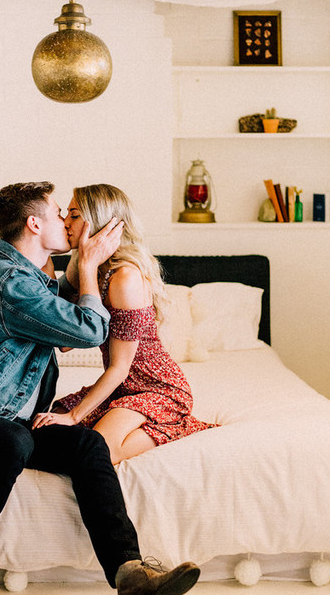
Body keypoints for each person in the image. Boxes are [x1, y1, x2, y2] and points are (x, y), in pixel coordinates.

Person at [0, 181, 200, 595]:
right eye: (60, 213)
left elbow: (74, 325)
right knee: (10, 442)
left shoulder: (41, 280)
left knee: (88, 446)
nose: (66, 221)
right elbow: (89, 331)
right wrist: (91, 262)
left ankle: (130, 576)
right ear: (34, 223)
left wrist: (86, 267)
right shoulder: (10, 282)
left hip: (14, 426)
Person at [33, 183, 216, 465]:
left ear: (100, 223)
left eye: (73, 215)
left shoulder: (125, 278)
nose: (64, 222)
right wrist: (51, 255)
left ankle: (181, 426)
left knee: (101, 448)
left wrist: (74, 416)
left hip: (157, 388)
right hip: (123, 389)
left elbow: (120, 367)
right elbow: (66, 340)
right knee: (46, 424)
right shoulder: (87, 267)